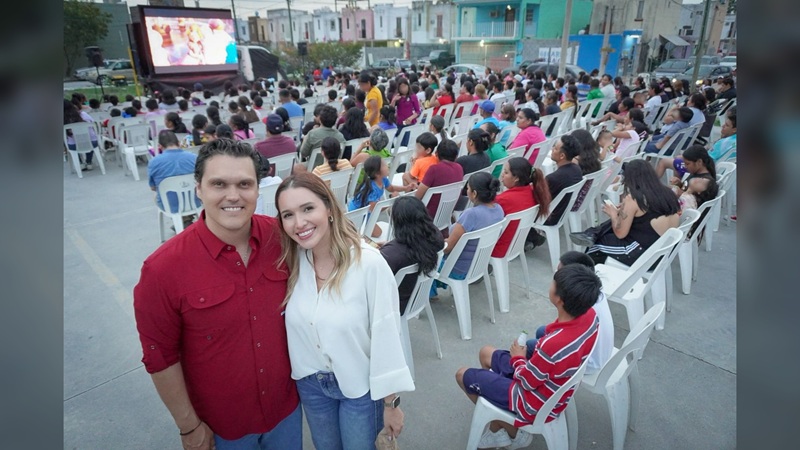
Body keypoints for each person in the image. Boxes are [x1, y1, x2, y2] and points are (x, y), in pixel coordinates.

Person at [134, 139, 301, 450]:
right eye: (219, 184)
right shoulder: (162, 269)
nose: (233, 195)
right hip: (222, 428)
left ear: (258, 188)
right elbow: (160, 357)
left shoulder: (283, 238)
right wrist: (188, 426)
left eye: (244, 184)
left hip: (286, 412)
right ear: (199, 188)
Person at [275, 172, 414, 449]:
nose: (299, 223)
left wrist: (391, 403)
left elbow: (386, 335)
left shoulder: (369, 264)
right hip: (311, 386)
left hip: (359, 387)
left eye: (308, 208)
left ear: (329, 208)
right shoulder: (293, 262)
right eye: (288, 215)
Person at [455, 263, 600, 450]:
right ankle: (497, 410)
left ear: (559, 299)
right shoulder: (590, 315)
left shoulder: (554, 345)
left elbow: (526, 382)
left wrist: (518, 358)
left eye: (553, 282)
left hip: (532, 400)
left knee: (462, 375)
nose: (551, 284)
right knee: (486, 353)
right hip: (554, 386)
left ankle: (510, 430)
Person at [570, 159, 680, 265]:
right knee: (608, 234)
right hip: (661, 252)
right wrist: (625, 210)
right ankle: (592, 234)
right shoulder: (668, 193)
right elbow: (647, 215)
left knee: (595, 246)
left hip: (642, 254)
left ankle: (579, 273)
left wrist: (613, 214)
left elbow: (620, 234)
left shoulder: (634, 199)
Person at [435, 172, 504, 293]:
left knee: (421, 257)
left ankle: (426, 296)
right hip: (477, 266)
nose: (467, 191)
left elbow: (447, 248)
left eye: (468, 189)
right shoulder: (498, 210)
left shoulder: (471, 214)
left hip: (456, 269)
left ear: (474, 193)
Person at [379, 196, 445, 312]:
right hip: (418, 296)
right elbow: (414, 243)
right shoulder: (436, 237)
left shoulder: (391, 255)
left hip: (393, 305)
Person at [492, 157, 551, 259]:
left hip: (499, 248)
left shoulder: (502, 200)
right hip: (517, 242)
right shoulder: (534, 192)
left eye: (506, 172)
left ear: (516, 178)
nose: (502, 174)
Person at [147, 130, 198, 222]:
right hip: (195, 202)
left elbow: (153, 187)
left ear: (160, 146)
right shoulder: (194, 158)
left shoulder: (154, 162)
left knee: (157, 195)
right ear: (179, 143)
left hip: (169, 205)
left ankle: (181, 221)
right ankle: (186, 218)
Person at [414, 139, 465, 219]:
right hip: (446, 214)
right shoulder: (459, 168)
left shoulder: (434, 169)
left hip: (427, 215)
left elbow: (417, 196)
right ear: (456, 156)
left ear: (436, 153)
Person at [544, 134, 583, 226]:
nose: (552, 149)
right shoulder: (577, 169)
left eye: (555, 148)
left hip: (549, 217)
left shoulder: (553, 178)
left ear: (562, 156)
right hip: (563, 213)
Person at [665, 145, 719, 211]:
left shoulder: (702, 182)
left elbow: (689, 201)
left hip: (687, 213)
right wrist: (679, 184)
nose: (685, 166)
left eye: (687, 164)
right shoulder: (695, 173)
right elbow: (686, 188)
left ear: (699, 162)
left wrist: (678, 192)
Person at [63, 99, 97, 171]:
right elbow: (93, 123)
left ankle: (80, 163)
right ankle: (89, 162)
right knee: (90, 138)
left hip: (74, 145)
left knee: (71, 141)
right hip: (92, 142)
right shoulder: (83, 114)